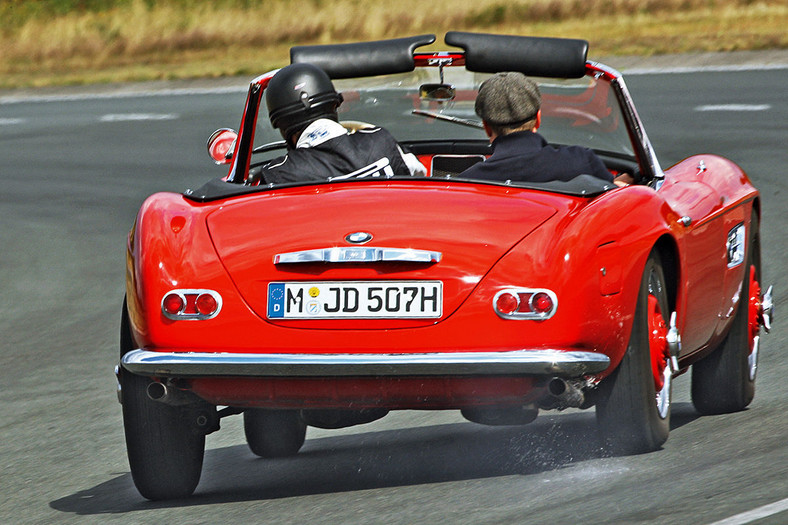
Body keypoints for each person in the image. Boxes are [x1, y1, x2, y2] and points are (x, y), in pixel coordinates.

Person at [256, 63, 426, 185]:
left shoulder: (279, 174)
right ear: (333, 104)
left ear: (282, 123)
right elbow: (421, 177)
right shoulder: (380, 140)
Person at [460, 71, 631, 186]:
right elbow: (612, 195)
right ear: (538, 119)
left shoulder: (468, 182)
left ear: (486, 126)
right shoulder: (581, 161)